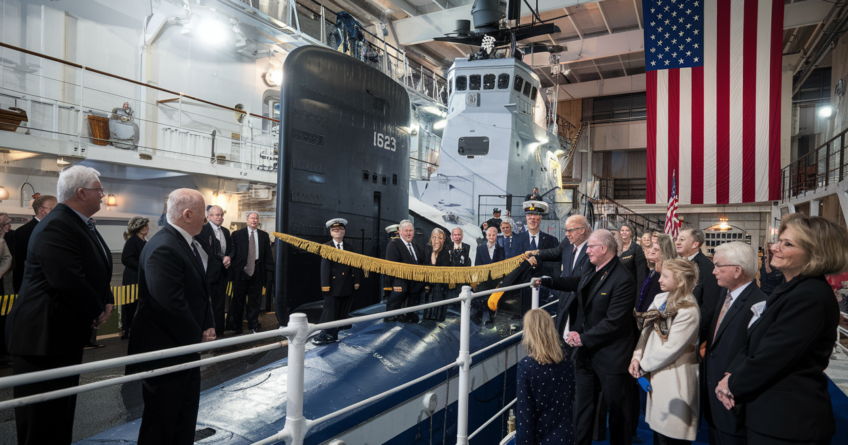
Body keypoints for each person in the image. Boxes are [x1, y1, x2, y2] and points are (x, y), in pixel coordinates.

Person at [715, 214, 848, 445]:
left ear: (814, 254)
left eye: (787, 244)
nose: (774, 248)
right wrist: (730, 373)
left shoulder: (810, 296)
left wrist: (731, 384)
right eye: (779, 241)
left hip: (788, 421)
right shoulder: (788, 289)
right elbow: (754, 341)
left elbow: (773, 355)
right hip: (768, 415)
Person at [5, 165, 114, 445]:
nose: (103, 195)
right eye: (99, 190)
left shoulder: (79, 223)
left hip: (61, 334)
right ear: (81, 193)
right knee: (41, 424)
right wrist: (96, 309)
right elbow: (67, 280)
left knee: (59, 419)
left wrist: (107, 298)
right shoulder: (58, 224)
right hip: (42, 337)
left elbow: (97, 266)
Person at [127, 188, 215, 444]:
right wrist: (197, 336)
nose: (205, 220)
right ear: (187, 214)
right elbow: (170, 303)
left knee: (183, 417)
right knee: (162, 422)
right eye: (203, 214)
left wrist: (207, 324)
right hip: (165, 348)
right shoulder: (164, 246)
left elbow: (199, 290)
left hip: (181, 347)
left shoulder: (184, 243)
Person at [534, 229, 637, 445]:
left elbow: (614, 322)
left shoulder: (624, 279)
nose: (586, 250)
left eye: (590, 246)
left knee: (618, 415)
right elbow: (575, 283)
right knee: (582, 408)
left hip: (612, 356)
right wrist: (548, 281)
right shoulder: (591, 267)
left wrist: (583, 338)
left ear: (604, 248)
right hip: (585, 354)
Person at [702, 242, 767, 445]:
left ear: (737, 270)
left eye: (718, 265)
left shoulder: (759, 304)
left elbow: (754, 353)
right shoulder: (725, 294)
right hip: (714, 398)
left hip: (734, 401)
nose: (713, 271)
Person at [630, 258, 700, 445]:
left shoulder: (689, 309)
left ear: (680, 280)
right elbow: (646, 331)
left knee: (672, 436)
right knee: (658, 434)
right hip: (656, 374)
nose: (659, 280)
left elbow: (671, 349)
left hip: (674, 379)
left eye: (665, 276)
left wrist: (642, 366)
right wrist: (636, 357)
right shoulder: (660, 299)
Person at [516, 309, 575, 445]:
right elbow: (571, 397)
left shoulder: (526, 367)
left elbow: (525, 417)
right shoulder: (567, 360)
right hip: (566, 436)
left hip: (541, 439)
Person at [528, 214, 592, 338]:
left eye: (570, 230)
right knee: (561, 332)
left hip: (580, 302)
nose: (567, 234)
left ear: (582, 230)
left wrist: (551, 282)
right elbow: (555, 253)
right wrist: (535, 253)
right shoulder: (567, 243)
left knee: (576, 337)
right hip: (565, 297)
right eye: (566, 230)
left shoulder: (592, 248)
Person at [313, 218, 361, 345]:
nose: (337, 231)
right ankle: (326, 333)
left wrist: (356, 281)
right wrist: (325, 286)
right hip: (333, 286)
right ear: (331, 232)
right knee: (330, 312)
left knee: (343, 311)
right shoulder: (327, 247)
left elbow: (354, 265)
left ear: (344, 231)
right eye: (334, 230)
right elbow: (325, 268)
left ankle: (335, 333)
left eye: (340, 229)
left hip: (347, 284)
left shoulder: (349, 247)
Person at [227, 211, 274, 334]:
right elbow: (233, 251)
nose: (254, 220)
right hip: (241, 273)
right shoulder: (237, 234)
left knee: (255, 301)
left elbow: (268, 255)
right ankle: (237, 326)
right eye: (252, 218)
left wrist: (269, 274)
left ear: (258, 221)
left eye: (256, 218)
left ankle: (253, 324)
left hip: (257, 272)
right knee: (238, 301)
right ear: (247, 220)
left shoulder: (264, 236)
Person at [195, 205, 233, 338]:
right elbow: (203, 251)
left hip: (223, 273)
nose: (219, 217)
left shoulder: (226, 232)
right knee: (204, 303)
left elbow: (230, 249)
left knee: (220, 303)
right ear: (209, 216)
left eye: (221, 215)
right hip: (207, 273)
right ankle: (205, 330)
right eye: (217, 215)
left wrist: (229, 257)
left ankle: (220, 330)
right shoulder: (202, 230)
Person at [676, 228, 720, 331]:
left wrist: (697, 329)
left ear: (695, 244)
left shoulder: (707, 267)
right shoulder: (678, 263)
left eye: (682, 240)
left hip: (693, 326)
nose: (677, 242)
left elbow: (709, 306)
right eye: (676, 239)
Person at [13, 194, 57, 294]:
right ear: (41, 210)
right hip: (34, 285)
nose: (56, 211)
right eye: (52, 208)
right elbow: (20, 263)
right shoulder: (23, 232)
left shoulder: (54, 228)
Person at [384, 219, 424, 323]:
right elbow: (390, 268)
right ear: (400, 232)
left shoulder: (416, 246)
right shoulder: (393, 245)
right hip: (399, 288)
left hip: (413, 290)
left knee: (409, 318)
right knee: (392, 318)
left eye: (411, 230)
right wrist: (388, 287)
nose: (408, 233)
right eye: (406, 231)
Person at [120, 216, 149, 340]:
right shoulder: (132, 241)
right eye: (144, 226)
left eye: (146, 226)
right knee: (129, 305)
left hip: (141, 278)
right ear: (138, 228)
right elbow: (126, 259)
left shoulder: (145, 242)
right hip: (131, 278)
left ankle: (137, 329)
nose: (147, 228)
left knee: (142, 304)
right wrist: (142, 266)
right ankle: (126, 330)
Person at [636, 234, 677, 313]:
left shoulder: (668, 274)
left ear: (664, 252)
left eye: (656, 249)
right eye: (651, 247)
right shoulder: (655, 271)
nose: (651, 252)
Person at [423, 228, 451, 322]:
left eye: (439, 238)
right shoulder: (427, 250)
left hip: (440, 286)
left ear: (443, 239)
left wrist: (436, 253)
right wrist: (433, 253)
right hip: (427, 284)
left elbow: (444, 270)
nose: (436, 240)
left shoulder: (445, 252)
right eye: (434, 237)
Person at [619, 223, 648, 292]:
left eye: (627, 230)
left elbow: (641, 275)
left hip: (630, 288)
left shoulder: (637, 249)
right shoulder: (616, 248)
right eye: (622, 230)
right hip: (618, 286)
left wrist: (640, 293)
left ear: (631, 232)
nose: (624, 232)